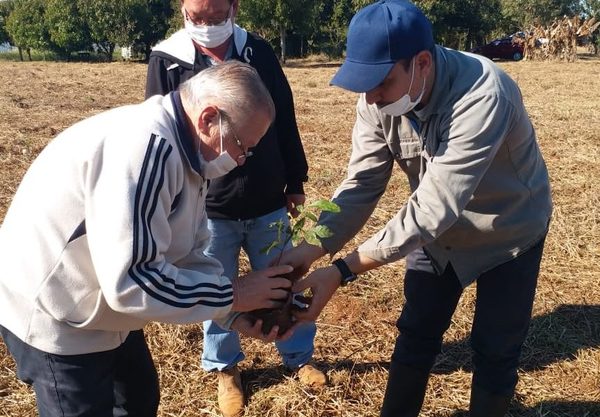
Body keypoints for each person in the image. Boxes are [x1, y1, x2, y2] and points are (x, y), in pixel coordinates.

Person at [279, 1, 553, 416]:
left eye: (381, 82)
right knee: (416, 333)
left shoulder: (483, 94)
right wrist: (310, 250)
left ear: (421, 62)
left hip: (509, 233)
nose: (371, 97)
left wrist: (341, 271)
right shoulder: (380, 101)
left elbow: (433, 208)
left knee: (495, 349)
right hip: (438, 239)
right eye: (363, 85)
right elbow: (361, 185)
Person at [0, 61, 296, 417]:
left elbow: (186, 249)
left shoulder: (190, 152)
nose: (240, 159)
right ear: (208, 118)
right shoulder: (146, 150)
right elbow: (132, 281)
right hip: (58, 316)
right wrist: (233, 293)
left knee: (138, 399)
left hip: (104, 310)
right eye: (240, 145)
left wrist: (230, 312)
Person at [145, 1, 324, 416]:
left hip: (266, 198)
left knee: (283, 279)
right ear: (183, 11)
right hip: (209, 206)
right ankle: (226, 368)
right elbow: (160, 129)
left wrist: (294, 179)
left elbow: (284, 116)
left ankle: (298, 354)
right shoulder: (167, 59)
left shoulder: (258, 52)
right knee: (216, 285)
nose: (205, 26)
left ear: (234, 8)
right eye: (196, 18)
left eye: (214, 16)